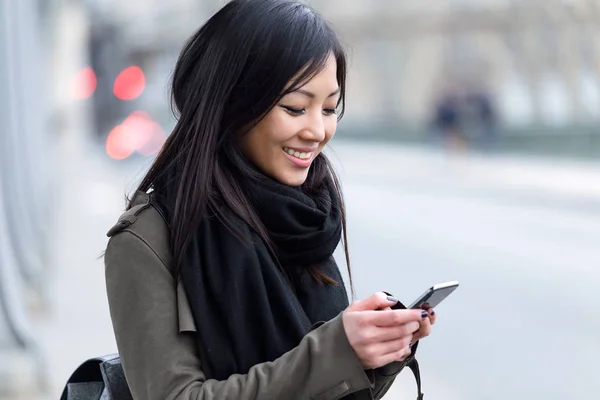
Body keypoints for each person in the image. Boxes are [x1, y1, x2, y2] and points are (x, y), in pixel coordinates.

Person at [104, 1, 437, 399]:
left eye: (330, 108)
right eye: (296, 108)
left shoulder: (303, 217)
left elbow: (321, 386)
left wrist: (376, 356)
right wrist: (337, 352)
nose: (318, 131)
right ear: (232, 102)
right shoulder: (146, 241)